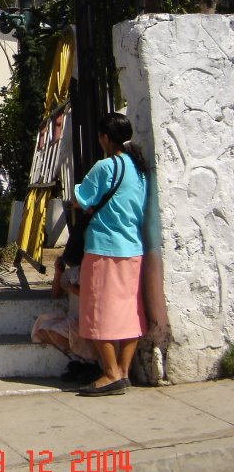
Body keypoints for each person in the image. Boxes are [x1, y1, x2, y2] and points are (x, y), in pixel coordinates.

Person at [70, 112, 149, 397]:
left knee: (96, 312)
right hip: (133, 248)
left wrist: (82, 203)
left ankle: (110, 372)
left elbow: (80, 200)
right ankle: (124, 372)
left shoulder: (106, 167)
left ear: (105, 137)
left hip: (104, 247)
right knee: (130, 312)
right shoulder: (139, 168)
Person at [31, 262, 101, 384]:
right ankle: (77, 360)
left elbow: (91, 294)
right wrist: (58, 273)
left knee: (56, 331)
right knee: (42, 329)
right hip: (72, 318)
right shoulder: (72, 273)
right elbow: (55, 294)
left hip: (89, 321)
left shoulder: (98, 272)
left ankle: (90, 363)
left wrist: (72, 288)